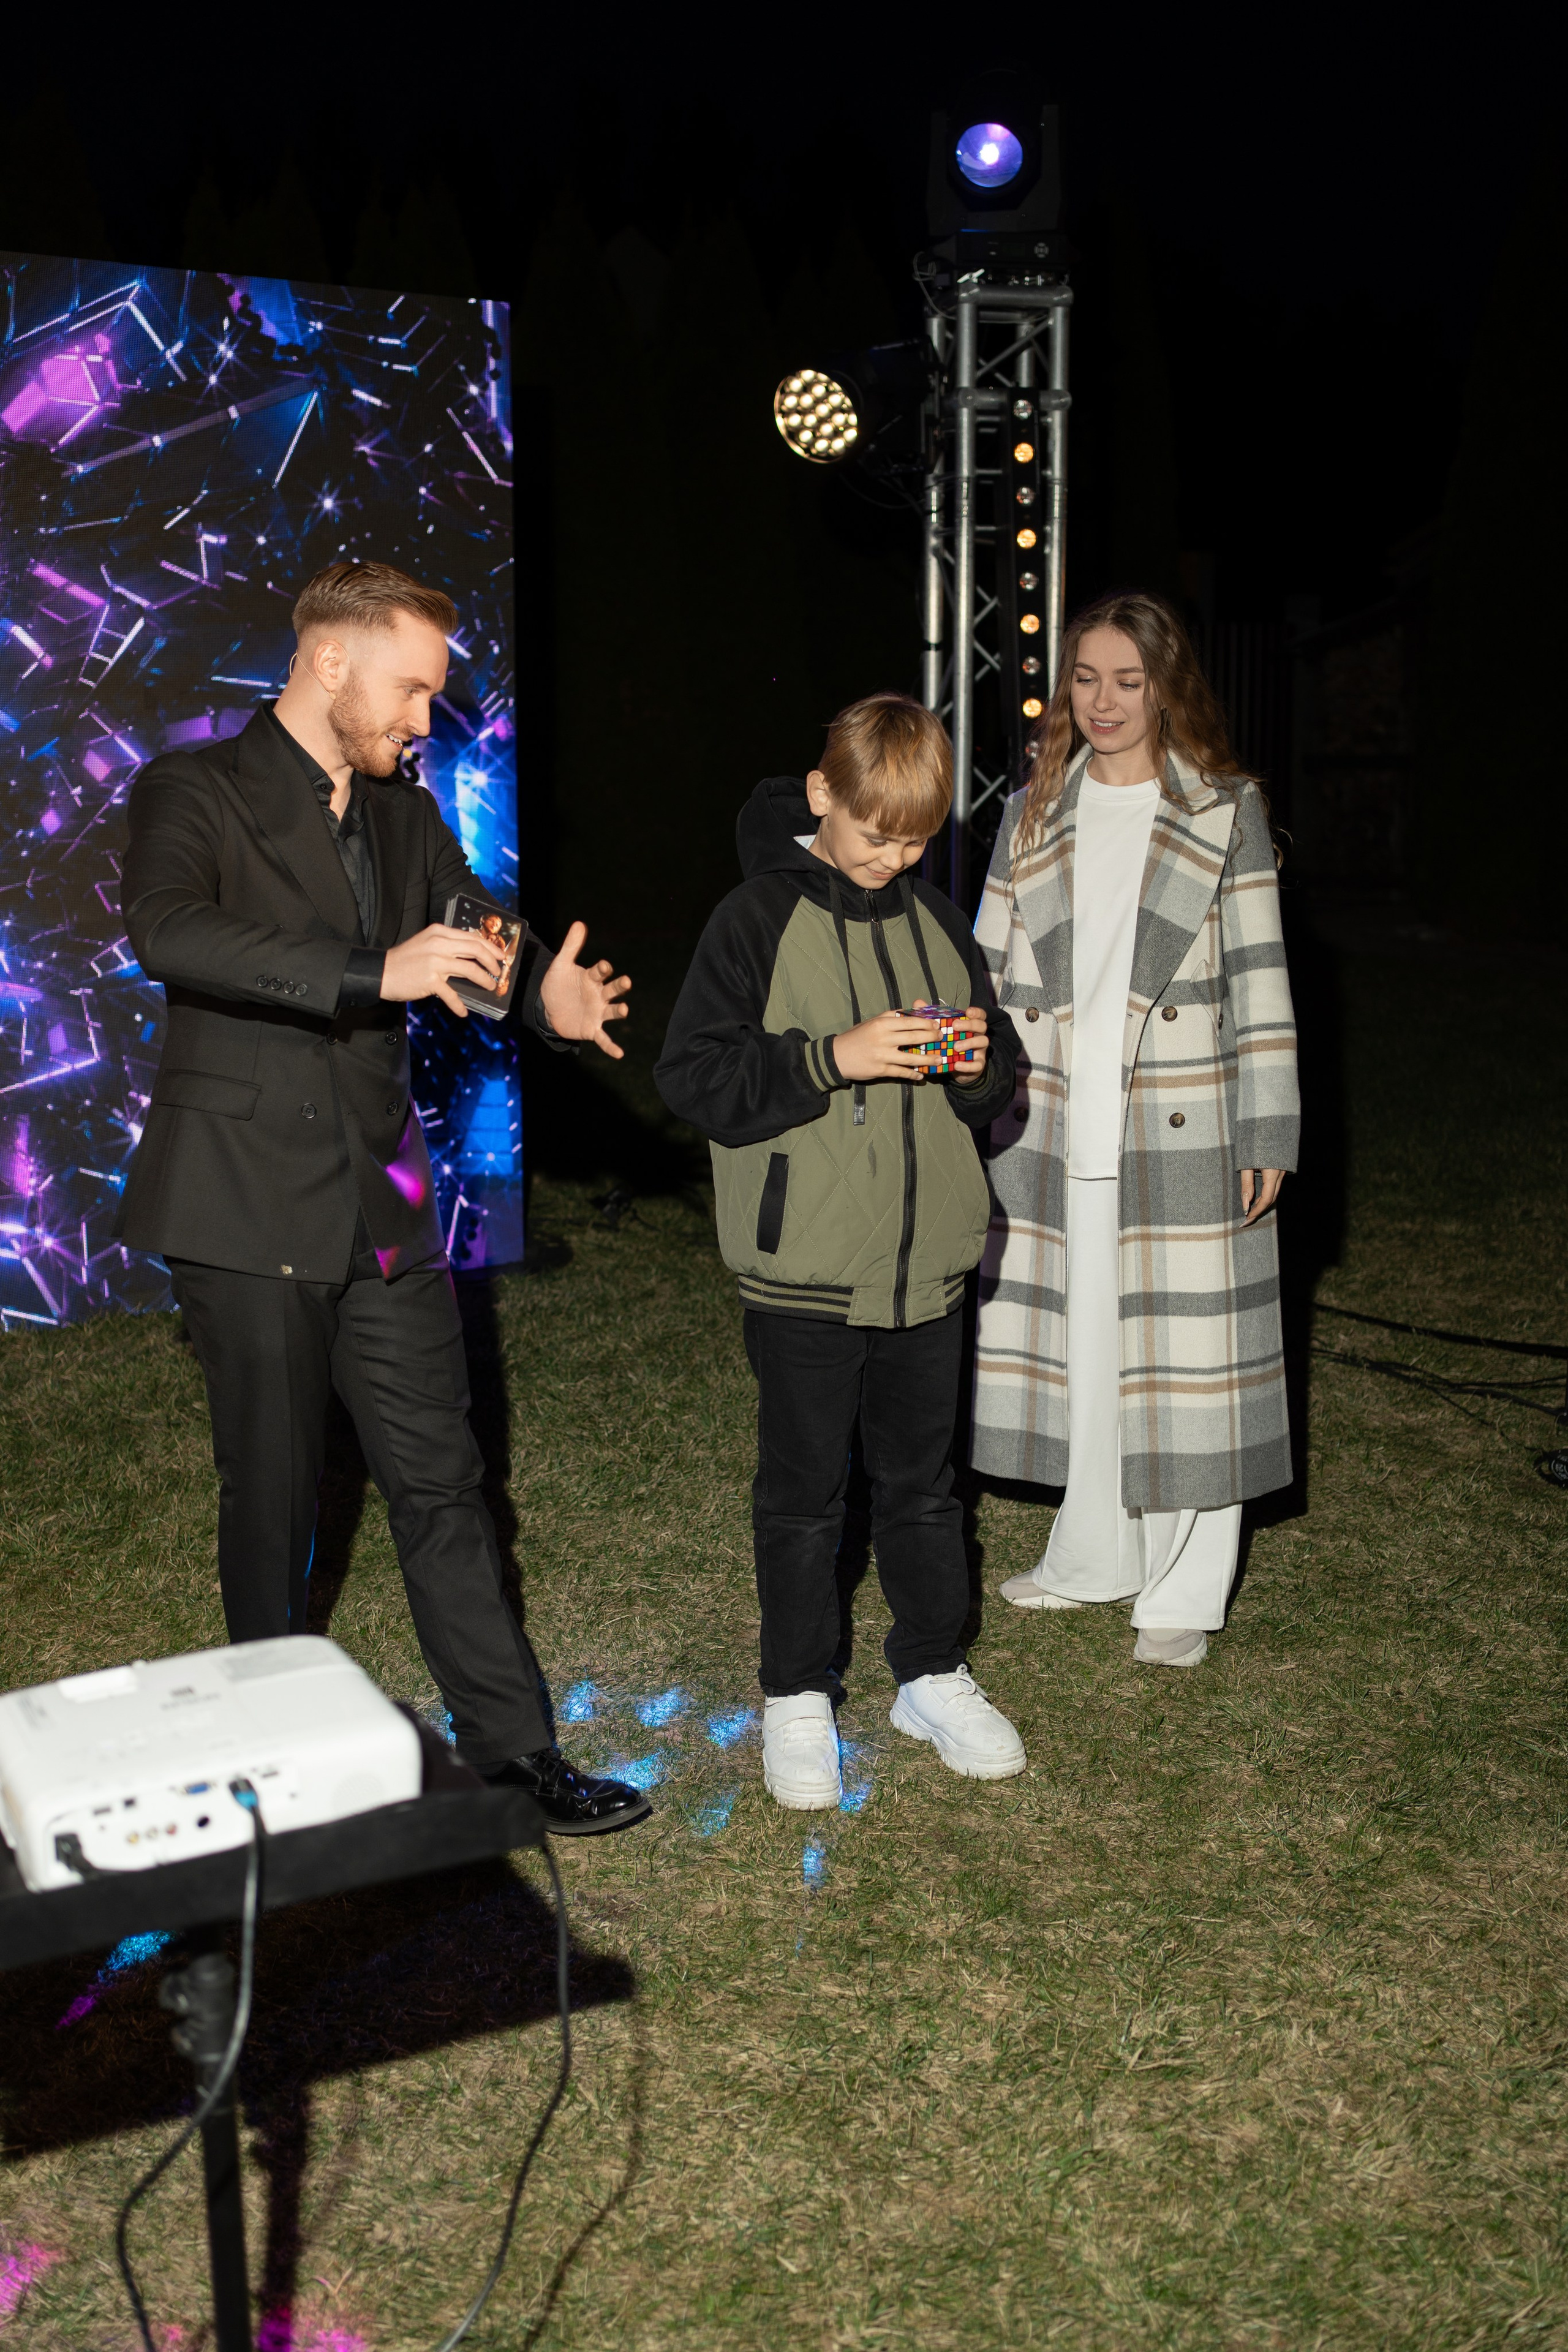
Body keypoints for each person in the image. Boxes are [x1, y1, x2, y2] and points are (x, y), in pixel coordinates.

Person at [118, 559, 650, 1833]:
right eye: (413, 688)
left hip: (381, 1199)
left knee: (441, 1478)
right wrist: (372, 969)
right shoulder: (195, 785)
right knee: (276, 1490)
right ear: (331, 657)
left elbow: (469, 931)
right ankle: (262, 1762)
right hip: (241, 1200)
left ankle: (514, 1755)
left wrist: (542, 999)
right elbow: (170, 934)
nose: (426, 719)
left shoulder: (406, 816)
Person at [654, 693, 1028, 1809]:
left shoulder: (939, 920)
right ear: (824, 797)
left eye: (917, 839)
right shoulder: (755, 919)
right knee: (806, 1494)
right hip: (804, 1270)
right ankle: (796, 1696)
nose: (895, 858)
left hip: (930, 1268)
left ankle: (931, 1672)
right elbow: (696, 1078)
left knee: (923, 1488)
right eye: (877, 835)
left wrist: (973, 1064)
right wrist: (833, 1058)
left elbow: (997, 1071)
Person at [971, 592, 1299, 1664]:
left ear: (1165, 687)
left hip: (1187, 1121)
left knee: (1192, 1369)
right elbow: (980, 966)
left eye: (1128, 680)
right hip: (1055, 1121)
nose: (1104, 701)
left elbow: (1261, 980)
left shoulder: (1224, 809)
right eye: (1086, 678)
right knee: (1090, 1354)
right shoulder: (1035, 808)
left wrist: (1270, 1130)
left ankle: (1181, 1594)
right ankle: (1094, 1554)